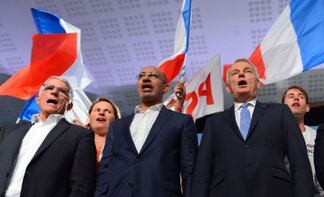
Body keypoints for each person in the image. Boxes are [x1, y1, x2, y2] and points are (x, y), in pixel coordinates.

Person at [192, 58, 314, 197]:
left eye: (247, 71)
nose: (241, 75)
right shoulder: (214, 122)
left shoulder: (280, 112)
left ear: (257, 83)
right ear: (228, 87)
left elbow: (299, 162)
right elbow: (202, 171)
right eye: (235, 73)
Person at [95, 66, 198, 197]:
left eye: (153, 75)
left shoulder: (181, 122)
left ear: (165, 87)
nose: (146, 78)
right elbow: (105, 169)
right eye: (142, 76)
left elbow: (189, 169)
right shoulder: (117, 126)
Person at [0, 76, 96, 197]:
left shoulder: (80, 135)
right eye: (49, 88)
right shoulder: (9, 131)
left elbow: (82, 185)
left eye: (62, 91)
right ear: (38, 99)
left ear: (70, 105)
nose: (54, 92)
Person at [282, 86, 324, 196]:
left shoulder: (318, 136)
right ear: (281, 107)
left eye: (300, 97)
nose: (296, 99)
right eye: (291, 96)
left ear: (307, 107)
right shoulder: (272, 135)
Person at [87, 97, 121, 163]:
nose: (101, 113)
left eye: (108, 111)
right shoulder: (75, 142)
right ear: (89, 116)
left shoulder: (125, 146)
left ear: (116, 119)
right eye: (97, 110)